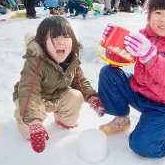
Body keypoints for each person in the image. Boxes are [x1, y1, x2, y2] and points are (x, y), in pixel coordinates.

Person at [97, 0, 165, 158]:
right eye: (158, 12)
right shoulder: (145, 35)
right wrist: (111, 43)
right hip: (141, 92)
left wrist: (150, 57)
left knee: (142, 146)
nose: (163, 19)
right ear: (149, 15)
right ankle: (121, 118)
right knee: (109, 73)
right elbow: (120, 59)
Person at [13, 16, 105, 153]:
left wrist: (91, 97)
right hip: (35, 99)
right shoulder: (35, 61)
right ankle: (31, 124)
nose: (61, 42)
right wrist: (33, 122)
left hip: (57, 96)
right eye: (54, 37)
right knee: (28, 125)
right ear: (42, 42)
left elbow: (79, 82)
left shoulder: (71, 60)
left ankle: (63, 120)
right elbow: (29, 90)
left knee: (75, 95)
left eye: (66, 37)